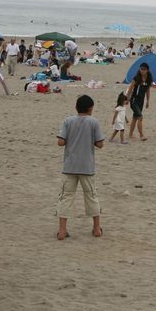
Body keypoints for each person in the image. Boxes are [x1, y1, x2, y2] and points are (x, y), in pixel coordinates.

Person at [56, 94, 105, 240]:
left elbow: (60, 142)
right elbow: (100, 144)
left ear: (76, 107)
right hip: (87, 167)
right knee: (91, 196)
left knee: (66, 197)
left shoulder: (68, 121)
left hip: (70, 166)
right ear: (91, 109)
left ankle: (62, 231)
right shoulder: (94, 122)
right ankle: (96, 228)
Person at [128, 63, 151, 141]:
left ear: (147, 70)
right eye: (141, 69)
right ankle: (141, 135)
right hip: (134, 100)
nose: (142, 70)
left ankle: (130, 134)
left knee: (135, 117)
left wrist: (148, 101)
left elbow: (148, 90)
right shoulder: (137, 78)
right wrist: (127, 99)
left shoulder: (149, 78)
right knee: (140, 117)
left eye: (144, 69)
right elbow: (131, 87)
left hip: (141, 101)